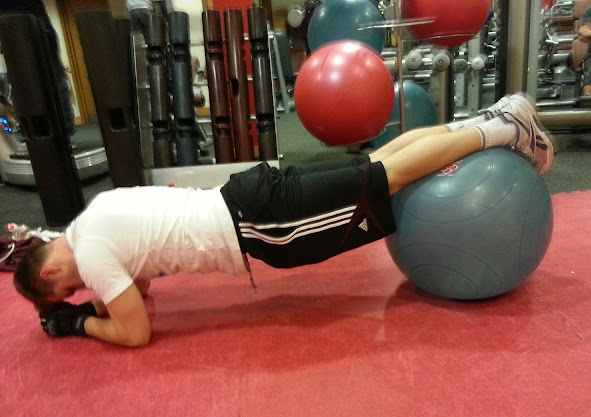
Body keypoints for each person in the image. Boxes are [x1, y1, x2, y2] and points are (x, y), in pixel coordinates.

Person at [13, 93, 554, 348]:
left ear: (50, 274)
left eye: (67, 291)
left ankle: (506, 131)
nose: (80, 291)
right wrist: (95, 303)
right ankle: (488, 120)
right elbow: (141, 288)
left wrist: (77, 324)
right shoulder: (93, 219)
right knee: (377, 164)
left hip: (264, 225)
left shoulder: (90, 257)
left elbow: (134, 331)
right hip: (249, 195)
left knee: (382, 180)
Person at [0, 0, 76, 138]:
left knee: (52, 80)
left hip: (33, 25)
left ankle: (63, 132)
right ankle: (37, 134)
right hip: (12, 28)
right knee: (23, 85)